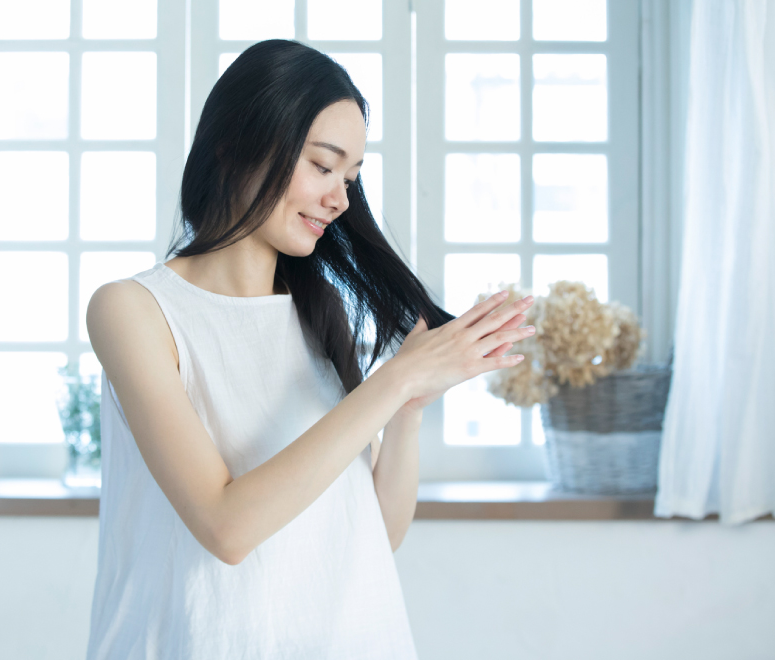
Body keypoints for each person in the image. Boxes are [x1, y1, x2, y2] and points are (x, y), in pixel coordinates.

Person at [84, 39, 535, 659]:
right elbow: (226, 526)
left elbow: (371, 535)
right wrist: (393, 383)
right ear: (237, 146)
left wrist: (409, 411)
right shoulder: (133, 311)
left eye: (350, 178)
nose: (341, 199)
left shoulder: (319, 316)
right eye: (323, 166)